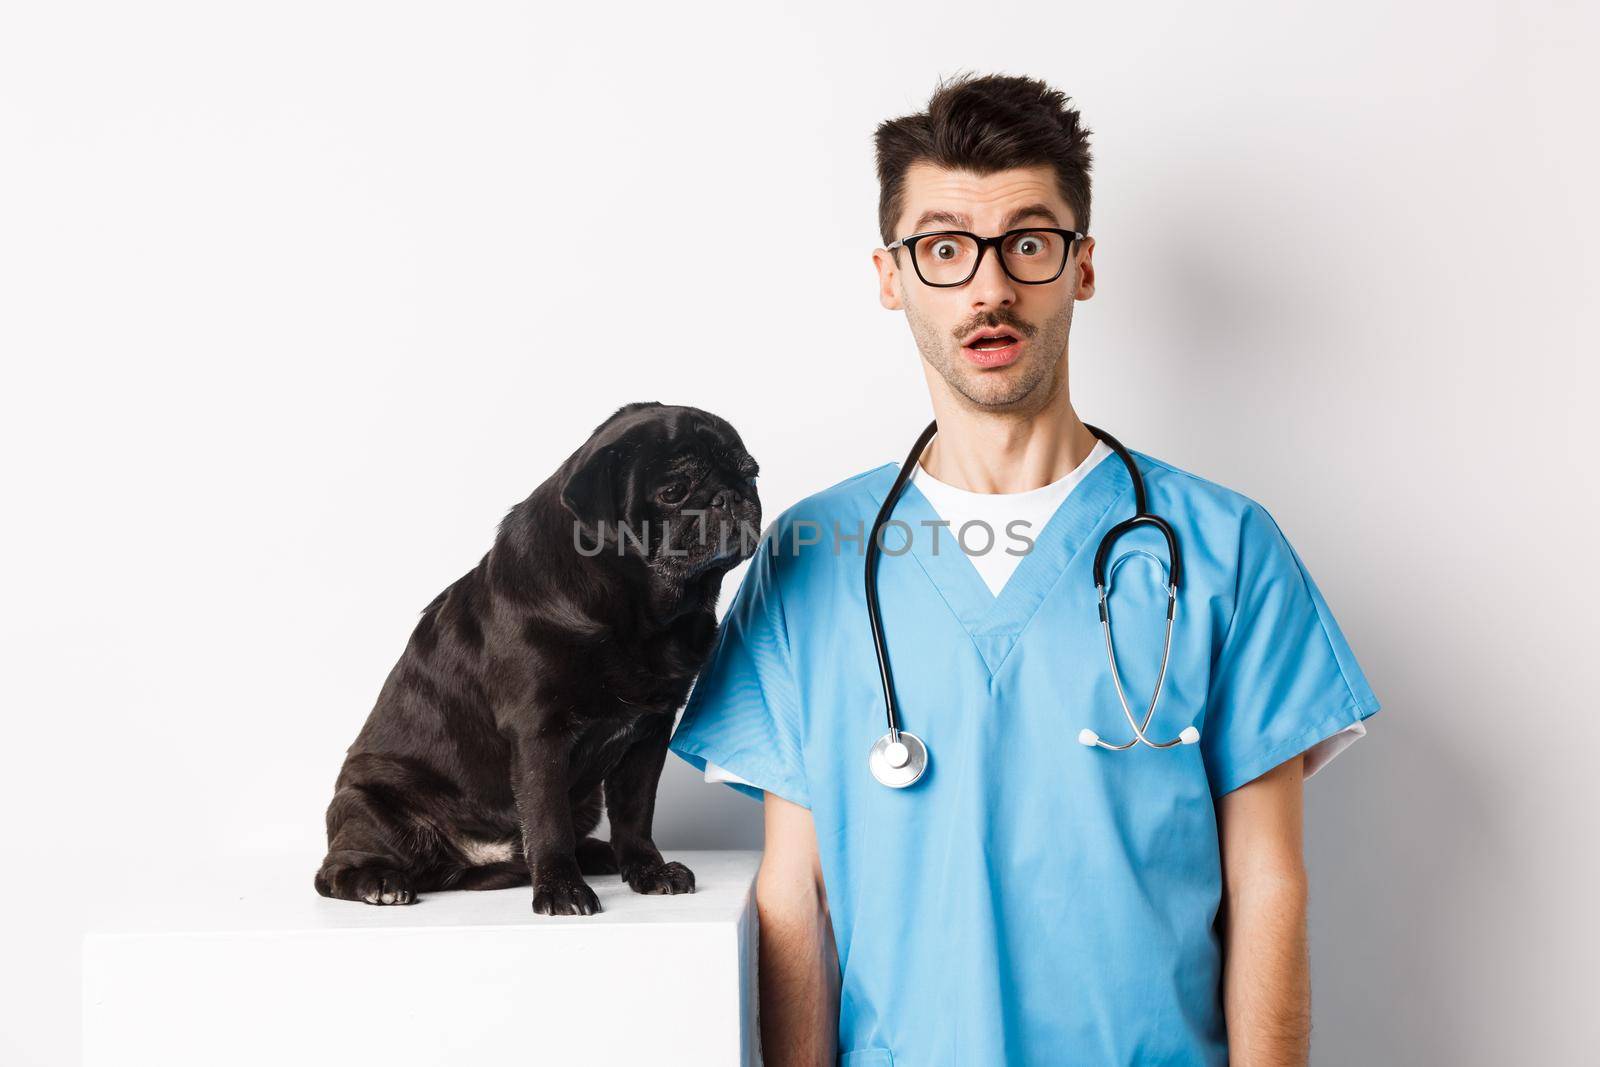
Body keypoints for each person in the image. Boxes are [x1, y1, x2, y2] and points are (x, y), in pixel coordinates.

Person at [668, 72, 1380, 1067]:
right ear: (891, 276)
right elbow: (799, 896)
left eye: (1028, 244)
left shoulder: (1224, 549)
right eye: (945, 248)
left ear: (1080, 267)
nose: (989, 287)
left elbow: (1268, 882)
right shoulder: (810, 557)